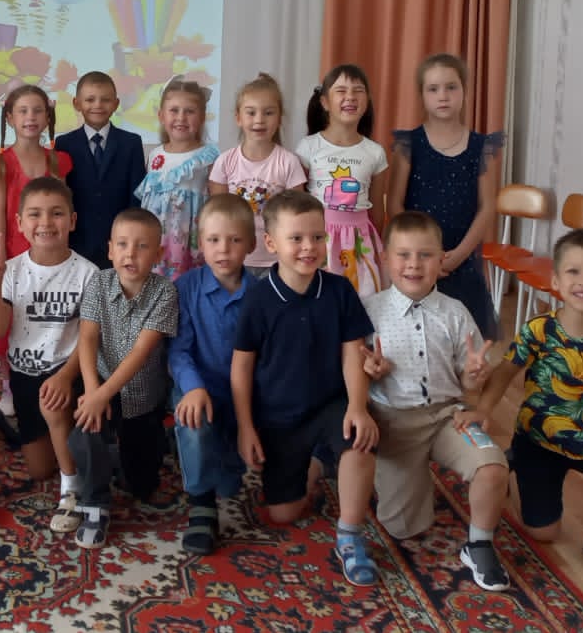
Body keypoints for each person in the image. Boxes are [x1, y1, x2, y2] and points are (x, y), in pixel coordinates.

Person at [456, 228, 583, 576]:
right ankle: (514, 466)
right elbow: (505, 373)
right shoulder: (539, 329)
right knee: (545, 533)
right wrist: (483, 410)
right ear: (555, 281)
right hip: (539, 443)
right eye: (574, 271)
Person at [231, 189, 379, 587]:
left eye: (317, 237)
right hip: (279, 417)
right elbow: (241, 367)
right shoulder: (258, 300)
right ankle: (317, 464)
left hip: (331, 404)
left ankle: (350, 535)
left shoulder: (339, 290)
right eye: (296, 238)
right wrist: (246, 427)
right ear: (271, 243)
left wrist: (358, 406)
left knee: (360, 440)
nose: (309, 247)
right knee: (284, 514)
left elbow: (353, 353)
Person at [361, 211, 510, 591]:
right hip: (394, 422)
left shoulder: (455, 312)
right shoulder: (369, 312)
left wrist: (475, 373)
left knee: (493, 468)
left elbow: (468, 378)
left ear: (442, 259)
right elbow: (353, 371)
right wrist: (369, 369)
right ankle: (393, 475)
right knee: (404, 528)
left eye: (425, 255)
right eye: (404, 255)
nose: (414, 264)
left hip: (448, 417)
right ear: (385, 259)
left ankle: (480, 545)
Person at [0, 176, 94, 534]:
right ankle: (3, 425)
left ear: (72, 220)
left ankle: (72, 490)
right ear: (19, 223)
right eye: (35, 214)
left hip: (68, 373)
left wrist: (65, 376)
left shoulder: (88, 273)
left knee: (53, 406)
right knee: (39, 469)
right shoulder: (12, 271)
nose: (46, 222)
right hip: (24, 377)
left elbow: (90, 339)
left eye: (56, 213)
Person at [67, 208, 179, 548]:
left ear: (158, 254)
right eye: (123, 245)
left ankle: (140, 449)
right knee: (86, 427)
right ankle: (95, 503)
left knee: (141, 485)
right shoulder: (99, 283)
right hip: (101, 382)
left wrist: (101, 395)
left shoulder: (165, 292)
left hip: (143, 396)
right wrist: (93, 392)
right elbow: (88, 338)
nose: (131, 254)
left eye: (142, 246)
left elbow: (140, 353)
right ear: (110, 249)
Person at [389, 53, 504, 339]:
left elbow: (488, 207)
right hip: (417, 261)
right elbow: (395, 204)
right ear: (422, 95)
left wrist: (457, 256)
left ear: (464, 91)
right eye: (433, 89)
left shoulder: (481, 147)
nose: (443, 96)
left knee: (467, 342)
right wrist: (421, 254)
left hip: (461, 261)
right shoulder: (409, 144)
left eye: (451, 87)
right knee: (419, 336)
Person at [168, 194, 255, 554]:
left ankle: (227, 460)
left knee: (232, 482)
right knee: (194, 421)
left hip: (244, 393)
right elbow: (178, 351)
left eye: (234, 240)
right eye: (214, 240)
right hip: (199, 387)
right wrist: (193, 387)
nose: (224, 249)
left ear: (251, 244)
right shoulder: (185, 288)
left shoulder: (261, 294)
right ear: (200, 243)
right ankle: (201, 504)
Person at [297, 64, 388, 296]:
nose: (350, 96)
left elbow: (377, 212)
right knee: (319, 297)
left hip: (359, 241)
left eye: (358, 90)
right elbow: (298, 203)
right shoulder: (308, 147)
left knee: (360, 298)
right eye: (341, 91)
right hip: (319, 238)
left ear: (367, 101)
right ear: (325, 102)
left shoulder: (375, 152)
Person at [208, 73, 307, 277]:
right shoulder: (224, 162)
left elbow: (297, 216)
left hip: (277, 260)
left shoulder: (289, 162)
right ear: (238, 117)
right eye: (251, 113)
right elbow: (218, 217)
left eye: (268, 113)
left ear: (279, 118)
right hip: (235, 259)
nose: (259, 120)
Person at [56, 72, 147, 268]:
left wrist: (130, 236)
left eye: (105, 100)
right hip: (77, 242)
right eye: (90, 99)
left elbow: (137, 196)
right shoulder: (64, 144)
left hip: (120, 243)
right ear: (76, 103)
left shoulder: (131, 143)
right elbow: (62, 196)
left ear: (116, 103)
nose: (97, 105)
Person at [136, 76, 220, 279]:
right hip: (155, 239)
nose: (181, 117)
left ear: (202, 117)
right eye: (174, 110)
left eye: (190, 111)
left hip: (188, 242)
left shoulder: (208, 157)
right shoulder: (155, 155)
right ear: (161, 115)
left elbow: (218, 205)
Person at [0, 84, 74, 261]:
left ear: (48, 117)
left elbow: (63, 209)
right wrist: (0, 253)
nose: (31, 117)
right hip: (14, 254)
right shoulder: (0, 163)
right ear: (10, 118)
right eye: (23, 111)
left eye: (37, 111)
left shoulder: (58, 160)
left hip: (51, 250)